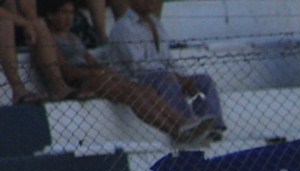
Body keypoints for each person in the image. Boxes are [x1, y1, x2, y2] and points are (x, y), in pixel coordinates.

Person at [40, 0, 215, 144]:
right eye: (63, 13)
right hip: (84, 80)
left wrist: (104, 71)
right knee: (132, 93)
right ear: (50, 15)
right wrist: (95, 73)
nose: (68, 18)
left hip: (98, 74)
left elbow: (89, 60)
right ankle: (175, 130)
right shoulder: (50, 38)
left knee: (145, 90)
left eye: (71, 13)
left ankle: (183, 123)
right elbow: (66, 71)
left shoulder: (74, 37)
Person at [108, 0, 226, 140]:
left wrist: (184, 77)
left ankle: (213, 127)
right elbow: (138, 66)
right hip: (135, 80)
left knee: (203, 81)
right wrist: (177, 77)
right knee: (166, 78)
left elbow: (167, 59)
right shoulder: (123, 27)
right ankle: (187, 125)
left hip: (162, 74)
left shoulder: (155, 23)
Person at [1, 0, 77, 102]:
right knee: (4, 24)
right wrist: (25, 24)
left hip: (15, 22)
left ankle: (58, 86)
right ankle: (18, 90)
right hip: (6, 24)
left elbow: (30, 10)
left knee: (39, 23)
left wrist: (30, 23)